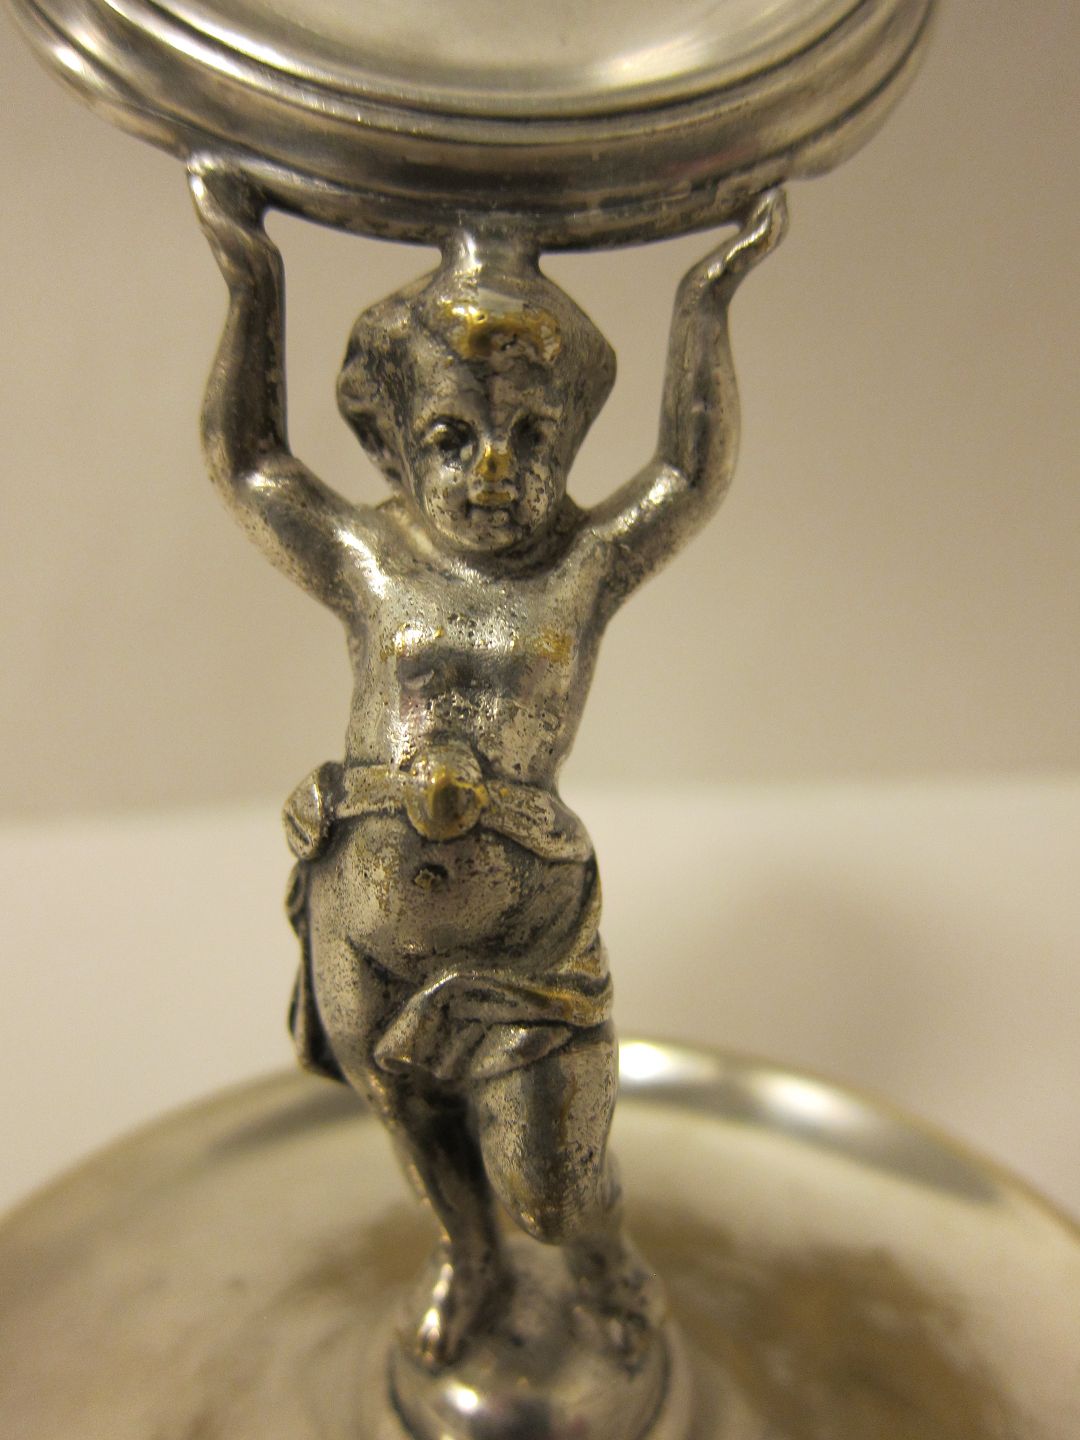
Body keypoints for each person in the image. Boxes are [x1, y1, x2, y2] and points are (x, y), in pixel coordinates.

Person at [189, 161, 787, 1372]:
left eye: (530, 437)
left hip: (525, 944)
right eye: (453, 438)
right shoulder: (370, 558)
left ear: (569, 440)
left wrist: (708, 300)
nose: (494, 471)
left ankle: (598, 1254)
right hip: (360, 927)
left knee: (551, 1188)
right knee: (409, 1118)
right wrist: (251, 274)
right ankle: (466, 1257)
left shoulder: (583, 565)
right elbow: (247, 462)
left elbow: (689, 475)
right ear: (396, 447)